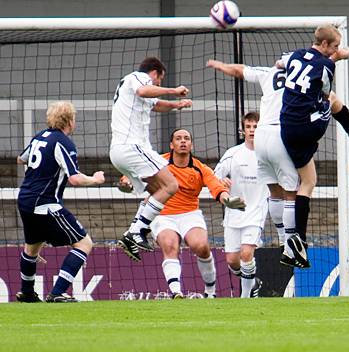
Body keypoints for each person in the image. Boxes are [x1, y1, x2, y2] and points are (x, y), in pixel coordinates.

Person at [207, 43, 349, 269]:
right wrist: (341, 54)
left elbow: (240, 70)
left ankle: (283, 239)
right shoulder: (305, 78)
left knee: (273, 191)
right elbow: (326, 65)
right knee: (293, 192)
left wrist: (220, 65)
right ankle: (291, 246)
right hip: (283, 134)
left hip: (261, 137)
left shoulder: (267, 73)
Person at [119, 128, 245, 298]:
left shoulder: (200, 168)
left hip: (190, 214)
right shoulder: (158, 162)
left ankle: (210, 292)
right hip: (162, 214)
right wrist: (126, 182)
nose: (183, 141)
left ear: (191, 144)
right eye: (178, 138)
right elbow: (133, 176)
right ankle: (176, 292)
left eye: (186, 138)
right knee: (170, 245)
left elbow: (217, 187)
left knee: (201, 247)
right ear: (172, 144)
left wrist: (227, 200)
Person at [279, 25, 349, 268]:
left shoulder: (295, 55)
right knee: (333, 99)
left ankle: (297, 244)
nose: (336, 50)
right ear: (325, 45)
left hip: (287, 127)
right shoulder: (327, 65)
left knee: (308, 181)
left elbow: (285, 64)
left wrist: (337, 54)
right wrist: (338, 58)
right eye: (335, 46)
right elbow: (324, 89)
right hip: (308, 126)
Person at [15, 101, 105, 303]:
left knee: (32, 248)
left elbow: (21, 159)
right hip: (45, 203)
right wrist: (95, 179)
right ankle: (57, 292)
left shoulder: (40, 137)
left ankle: (27, 293)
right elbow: (74, 178)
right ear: (69, 121)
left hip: (25, 200)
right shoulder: (63, 142)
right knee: (84, 243)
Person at [110, 57, 192, 261]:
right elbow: (144, 91)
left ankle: (134, 231)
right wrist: (174, 90)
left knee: (156, 191)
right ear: (154, 73)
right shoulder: (137, 78)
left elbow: (156, 104)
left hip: (121, 151)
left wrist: (177, 105)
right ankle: (136, 232)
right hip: (132, 147)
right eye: (159, 81)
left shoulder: (133, 88)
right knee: (172, 185)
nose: (159, 85)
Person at [214, 112, 269, 298]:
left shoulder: (268, 153)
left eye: (255, 127)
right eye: (249, 127)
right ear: (242, 130)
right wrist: (221, 182)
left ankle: (245, 298)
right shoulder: (233, 153)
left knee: (247, 254)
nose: (252, 130)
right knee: (232, 260)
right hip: (234, 211)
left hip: (256, 211)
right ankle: (253, 282)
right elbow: (215, 177)